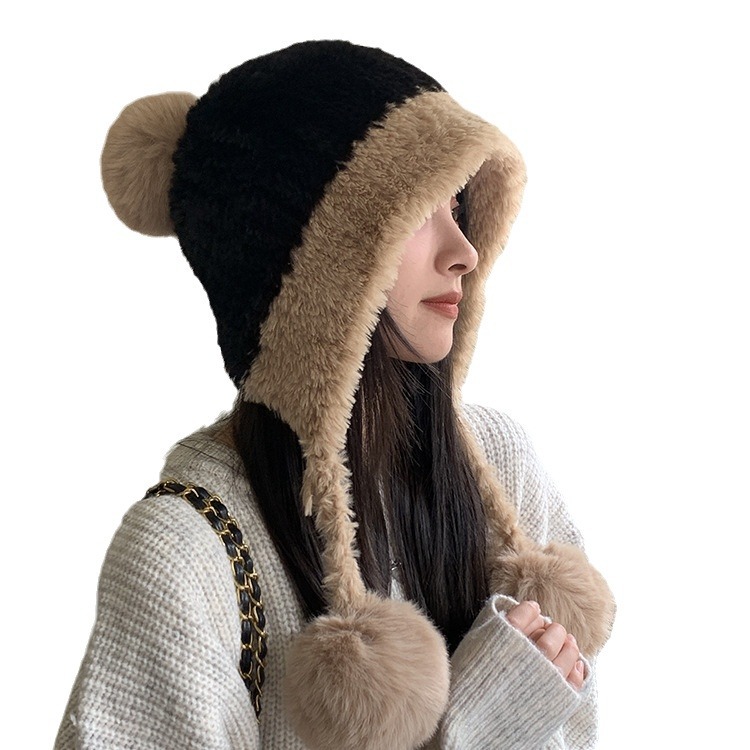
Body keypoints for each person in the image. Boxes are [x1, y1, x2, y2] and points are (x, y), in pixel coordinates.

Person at [54, 39, 615, 750]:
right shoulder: (184, 558)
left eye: (457, 204)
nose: (464, 252)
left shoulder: (503, 471)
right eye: (417, 211)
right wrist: (475, 729)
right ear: (320, 268)